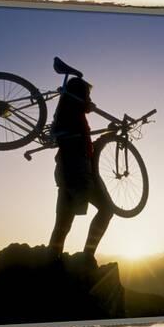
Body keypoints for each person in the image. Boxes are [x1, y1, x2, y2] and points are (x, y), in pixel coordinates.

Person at [48, 77, 113, 263]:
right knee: (106, 209)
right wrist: (88, 105)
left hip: (68, 172)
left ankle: (53, 260)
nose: (89, 98)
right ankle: (86, 256)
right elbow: (81, 147)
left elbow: (86, 146)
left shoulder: (71, 115)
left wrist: (107, 136)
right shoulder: (70, 110)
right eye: (87, 94)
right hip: (78, 173)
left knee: (63, 222)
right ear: (79, 94)